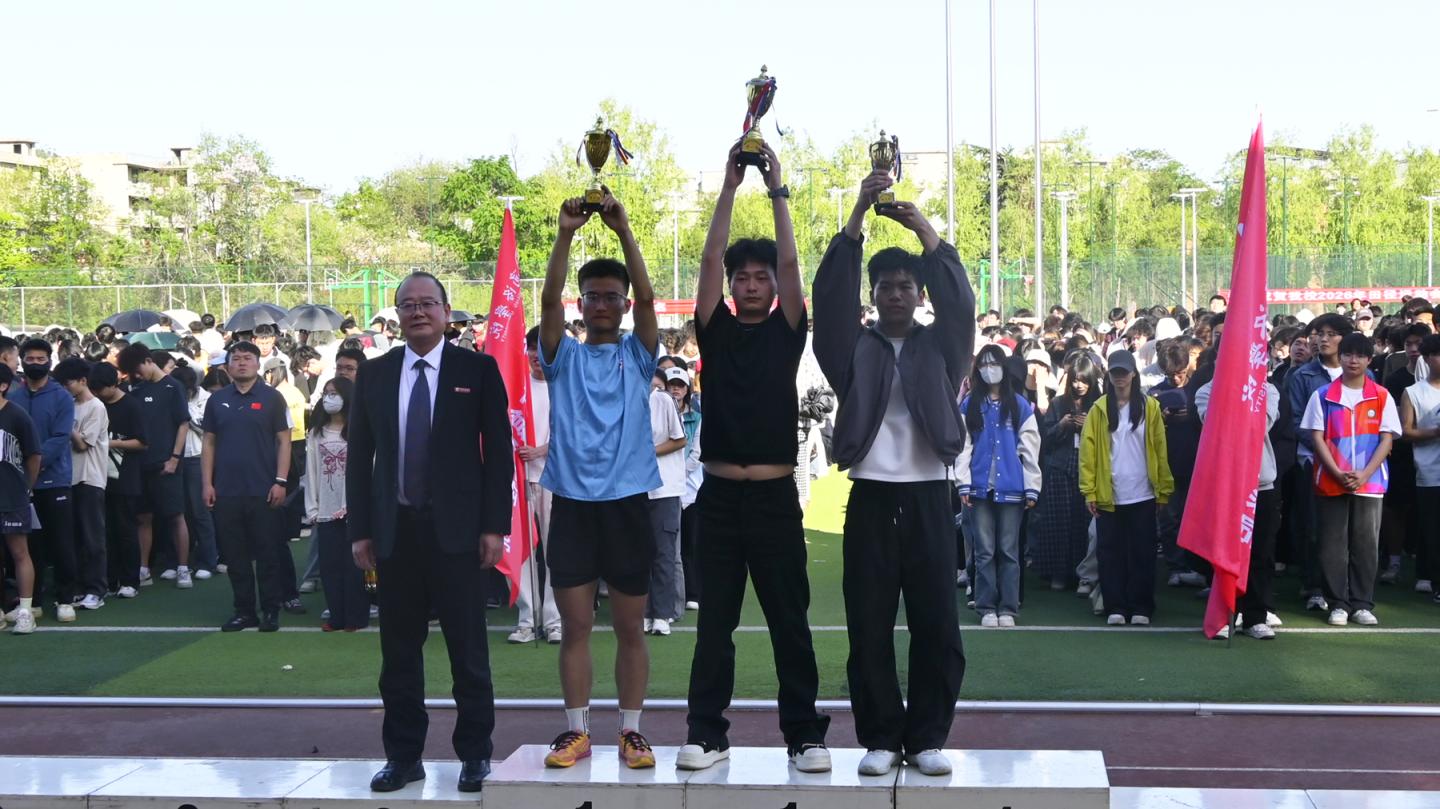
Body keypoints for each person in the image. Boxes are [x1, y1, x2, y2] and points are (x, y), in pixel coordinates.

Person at [812, 167, 973, 777]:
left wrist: (925, 230)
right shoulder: (853, 349)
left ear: (919, 293)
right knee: (869, 625)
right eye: (886, 286)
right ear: (874, 294)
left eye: (907, 285)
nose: (897, 294)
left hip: (931, 497)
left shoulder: (944, 347)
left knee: (937, 625)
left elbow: (961, 302)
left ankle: (927, 737)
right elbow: (829, 300)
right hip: (872, 499)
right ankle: (881, 736)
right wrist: (857, 212)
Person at [677, 141, 830, 774]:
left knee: (789, 622)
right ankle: (707, 733)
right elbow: (710, 256)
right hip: (717, 499)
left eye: (760, 277)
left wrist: (777, 188)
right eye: (742, 277)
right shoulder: (713, 328)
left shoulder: (787, 330)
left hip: (773, 497)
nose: (750, 284)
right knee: (714, 624)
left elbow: (792, 261)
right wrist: (728, 186)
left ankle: (805, 735)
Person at [347, 272, 512, 794]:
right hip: (395, 533)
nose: (417, 312)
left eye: (427, 303)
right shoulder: (375, 373)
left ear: (446, 311)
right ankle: (403, 757)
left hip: (458, 534)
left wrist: (494, 526)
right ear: (396, 315)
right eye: (407, 305)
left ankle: (476, 755)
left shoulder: (476, 369)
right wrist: (360, 530)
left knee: (468, 652)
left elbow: (498, 453)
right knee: (398, 655)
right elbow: (359, 457)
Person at [537, 192, 660, 771]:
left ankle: (631, 732)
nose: (603, 304)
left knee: (631, 627)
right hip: (573, 505)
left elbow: (651, 297)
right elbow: (546, 300)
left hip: (628, 505)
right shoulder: (562, 356)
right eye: (593, 296)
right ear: (580, 304)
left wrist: (625, 230)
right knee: (577, 627)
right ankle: (576, 731)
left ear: (625, 304)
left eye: (613, 296)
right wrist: (565, 233)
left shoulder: (639, 355)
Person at [1302, 332, 1398, 627]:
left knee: (1366, 544)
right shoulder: (1322, 395)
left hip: (1370, 483)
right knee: (1332, 545)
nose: (1353, 360)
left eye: (1360, 355)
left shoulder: (1381, 395)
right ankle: (1338, 604)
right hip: (1331, 480)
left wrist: (1365, 474)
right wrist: (1335, 471)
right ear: (1340, 357)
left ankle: (1362, 603)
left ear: (1369, 359)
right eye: (1348, 354)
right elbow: (1316, 437)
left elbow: (1387, 440)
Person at [1079, 349, 1174, 626]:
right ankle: (1115, 605)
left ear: (1133, 373)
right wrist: (1089, 491)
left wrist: (1163, 489)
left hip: (1143, 493)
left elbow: (1160, 449)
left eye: (1124, 372)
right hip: (1109, 493)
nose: (1120, 377)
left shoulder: (1150, 407)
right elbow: (1088, 453)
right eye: (1115, 372)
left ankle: (1141, 605)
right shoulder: (1098, 409)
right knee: (1110, 553)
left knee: (1143, 552)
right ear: (1108, 375)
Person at [202, 342, 291, 632]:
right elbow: (209, 443)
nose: (241, 363)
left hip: (263, 489)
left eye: (247, 358)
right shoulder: (217, 400)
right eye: (236, 358)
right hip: (226, 490)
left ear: (257, 363)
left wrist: (280, 481)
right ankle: (244, 611)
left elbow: (284, 441)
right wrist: (207, 483)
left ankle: (271, 610)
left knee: (268, 554)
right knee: (235, 556)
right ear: (227, 365)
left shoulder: (272, 398)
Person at [956, 345, 1041, 629]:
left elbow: (1030, 449)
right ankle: (986, 607)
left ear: (1004, 367)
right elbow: (963, 447)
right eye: (984, 364)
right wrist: (963, 483)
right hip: (979, 488)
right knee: (984, 551)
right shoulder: (970, 404)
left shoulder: (1019, 405)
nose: (989, 369)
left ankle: (1008, 607)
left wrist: (1032, 486)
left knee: (1008, 550)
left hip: (1012, 488)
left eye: (994, 363)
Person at [1195, 375, 1282, 639]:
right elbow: (1215, 424)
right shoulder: (1207, 390)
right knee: (1222, 551)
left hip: (1260, 483)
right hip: (1225, 484)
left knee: (1260, 553)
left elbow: (1261, 424)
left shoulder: (1268, 389)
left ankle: (1255, 616)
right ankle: (1224, 614)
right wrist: (1232, 392)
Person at [1285, 313, 1353, 612]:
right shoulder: (1302, 376)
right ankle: (1314, 585)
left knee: (1350, 528)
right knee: (1314, 526)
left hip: (1355, 465)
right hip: (1312, 461)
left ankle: (1347, 587)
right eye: (1319, 333)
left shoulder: (1363, 374)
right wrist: (1328, 451)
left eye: (1331, 333)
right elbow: (1296, 422)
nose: (1323, 339)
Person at [8, 338, 78, 623]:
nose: (35, 363)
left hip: (55, 481)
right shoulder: (14, 397)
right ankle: (33, 600)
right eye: (30, 359)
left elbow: (61, 437)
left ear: (50, 361)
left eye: (41, 359)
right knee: (30, 545)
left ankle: (65, 598)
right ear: (22, 361)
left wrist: (34, 462)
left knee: (62, 542)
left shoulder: (62, 397)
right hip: (22, 484)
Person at [117, 344, 193, 589]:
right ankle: (143, 569)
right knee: (143, 517)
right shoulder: (135, 390)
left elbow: (183, 424)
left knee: (176, 516)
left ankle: (183, 567)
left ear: (148, 361)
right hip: (139, 464)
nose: (136, 375)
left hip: (166, 462)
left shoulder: (173, 387)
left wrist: (174, 458)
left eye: (137, 369)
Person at [509, 326, 561, 645]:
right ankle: (527, 619)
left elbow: (574, 433)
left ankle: (554, 620)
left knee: (554, 550)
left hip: (554, 478)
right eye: (532, 349)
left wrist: (541, 450)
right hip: (520, 480)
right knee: (522, 551)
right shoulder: (517, 388)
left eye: (543, 350)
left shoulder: (563, 387)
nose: (537, 356)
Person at [1034, 352, 1102, 593]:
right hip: (1060, 466)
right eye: (1075, 380)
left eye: (1084, 380)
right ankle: (1058, 573)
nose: (1079, 385)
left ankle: (1083, 575)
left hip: (1089, 467)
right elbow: (1044, 439)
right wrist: (1062, 425)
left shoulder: (1099, 404)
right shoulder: (1058, 403)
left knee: (1084, 521)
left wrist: (1089, 425)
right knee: (1058, 521)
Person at [304, 376, 366, 632]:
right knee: (330, 565)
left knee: (354, 565)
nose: (329, 398)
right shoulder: (316, 434)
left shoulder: (359, 431)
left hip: (355, 509)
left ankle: (356, 616)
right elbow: (311, 472)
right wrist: (313, 508)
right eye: (326, 393)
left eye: (335, 393)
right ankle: (336, 615)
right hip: (326, 510)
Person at [54, 357, 110, 611]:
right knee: (74, 537)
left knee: (92, 537)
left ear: (83, 381)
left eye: (68, 383)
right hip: (68, 477)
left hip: (90, 477)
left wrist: (64, 422)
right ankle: (78, 587)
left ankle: (96, 589)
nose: (65, 388)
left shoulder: (96, 407)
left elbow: (83, 444)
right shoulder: (71, 405)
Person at [90, 363, 146, 597]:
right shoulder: (96, 405)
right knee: (106, 532)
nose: (97, 393)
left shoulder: (131, 405)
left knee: (126, 530)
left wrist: (109, 443)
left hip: (125, 477)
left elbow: (143, 442)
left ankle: (130, 581)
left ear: (114, 384)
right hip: (98, 477)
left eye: (101, 389)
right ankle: (110, 580)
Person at [0, 364, 42, 634]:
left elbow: (34, 455)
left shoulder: (16, 415)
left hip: (12, 495)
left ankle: (26, 611)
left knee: (19, 552)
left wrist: (27, 486)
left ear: (3, 386)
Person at [645, 374, 687, 637]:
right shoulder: (622, 396)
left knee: (663, 554)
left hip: (664, 489)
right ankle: (643, 612)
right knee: (638, 554)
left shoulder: (662, 400)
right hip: (633, 488)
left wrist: (646, 452)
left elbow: (679, 439)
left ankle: (661, 614)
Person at [1402, 334, 1440, 600]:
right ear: (1426, 359)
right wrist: (1435, 432)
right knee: (1433, 530)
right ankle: (1434, 581)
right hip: (1430, 472)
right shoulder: (1414, 392)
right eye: (1436, 355)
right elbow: (1405, 432)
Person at [171, 365, 218, 578]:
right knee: (179, 512)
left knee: (201, 511)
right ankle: (180, 561)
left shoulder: (207, 400)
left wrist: (186, 412)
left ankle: (208, 561)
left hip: (198, 457)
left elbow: (207, 430)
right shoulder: (173, 396)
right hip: (176, 456)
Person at [666, 367, 703, 611]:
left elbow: (696, 453)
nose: (676, 389)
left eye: (680, 385)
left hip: (690, 490)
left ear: (687, 389)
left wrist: (677, 472)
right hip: (666, 488)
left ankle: (693, 592)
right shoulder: (658, 411)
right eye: (672, 384)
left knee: (690, 542)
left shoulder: (696, 418)